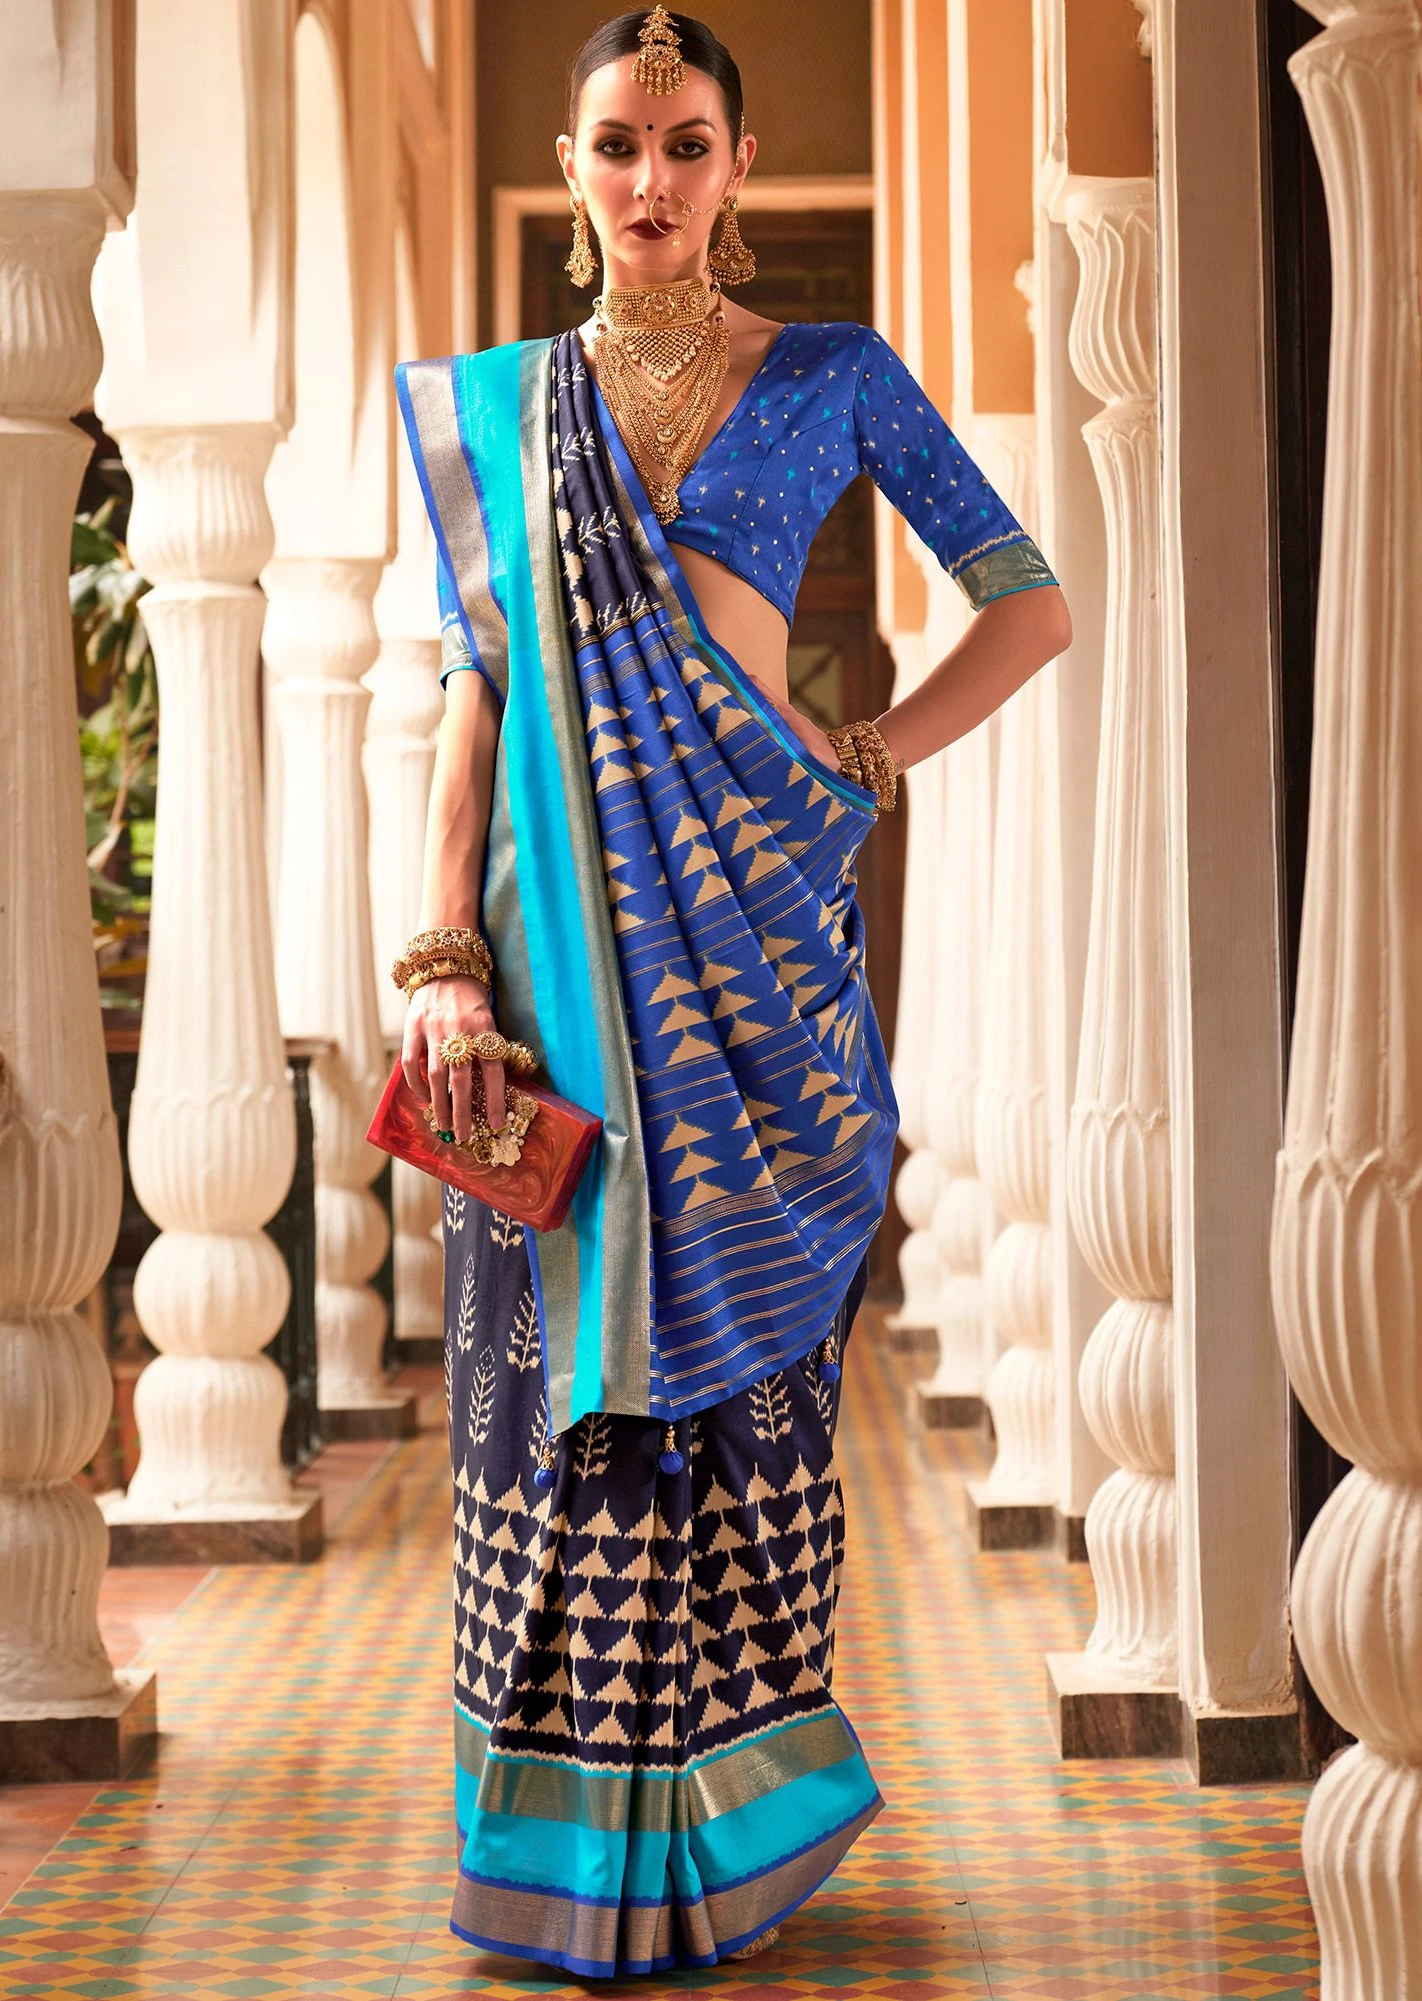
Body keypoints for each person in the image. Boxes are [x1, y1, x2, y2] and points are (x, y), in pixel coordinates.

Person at [393, 7, 1071, 1979]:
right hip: (548, 967)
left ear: (739, 167)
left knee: (757, 1389)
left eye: (687, 143)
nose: (652, 181)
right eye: (619, 144)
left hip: (761, 957)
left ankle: (733, 1831)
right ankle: (560, 1853)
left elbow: (1028, 601)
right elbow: (477, 696)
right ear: (572, 166)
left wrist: (860, 756)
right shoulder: (504, 415)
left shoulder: (833, 375)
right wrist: (440, 959)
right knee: (553, 1400)